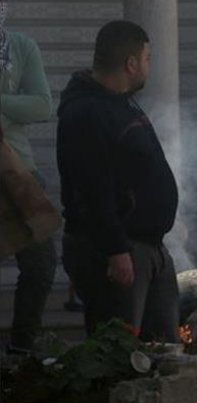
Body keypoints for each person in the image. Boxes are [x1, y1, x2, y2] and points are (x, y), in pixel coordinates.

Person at [56, 20, 180, 341]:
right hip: (118, 250)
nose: (150, 66)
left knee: (164, 348)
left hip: (148, 246)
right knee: (119, 350)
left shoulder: (122, 102)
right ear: (131, 63)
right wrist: (115, 250)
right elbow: (92, 190)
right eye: (148, 58)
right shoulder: (86, 113)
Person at [0, 0, 56, 353]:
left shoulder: (20, 47)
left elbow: (41, 105)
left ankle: (23, 345)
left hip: (19, 171)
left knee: (41, 263)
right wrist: (11, 104)